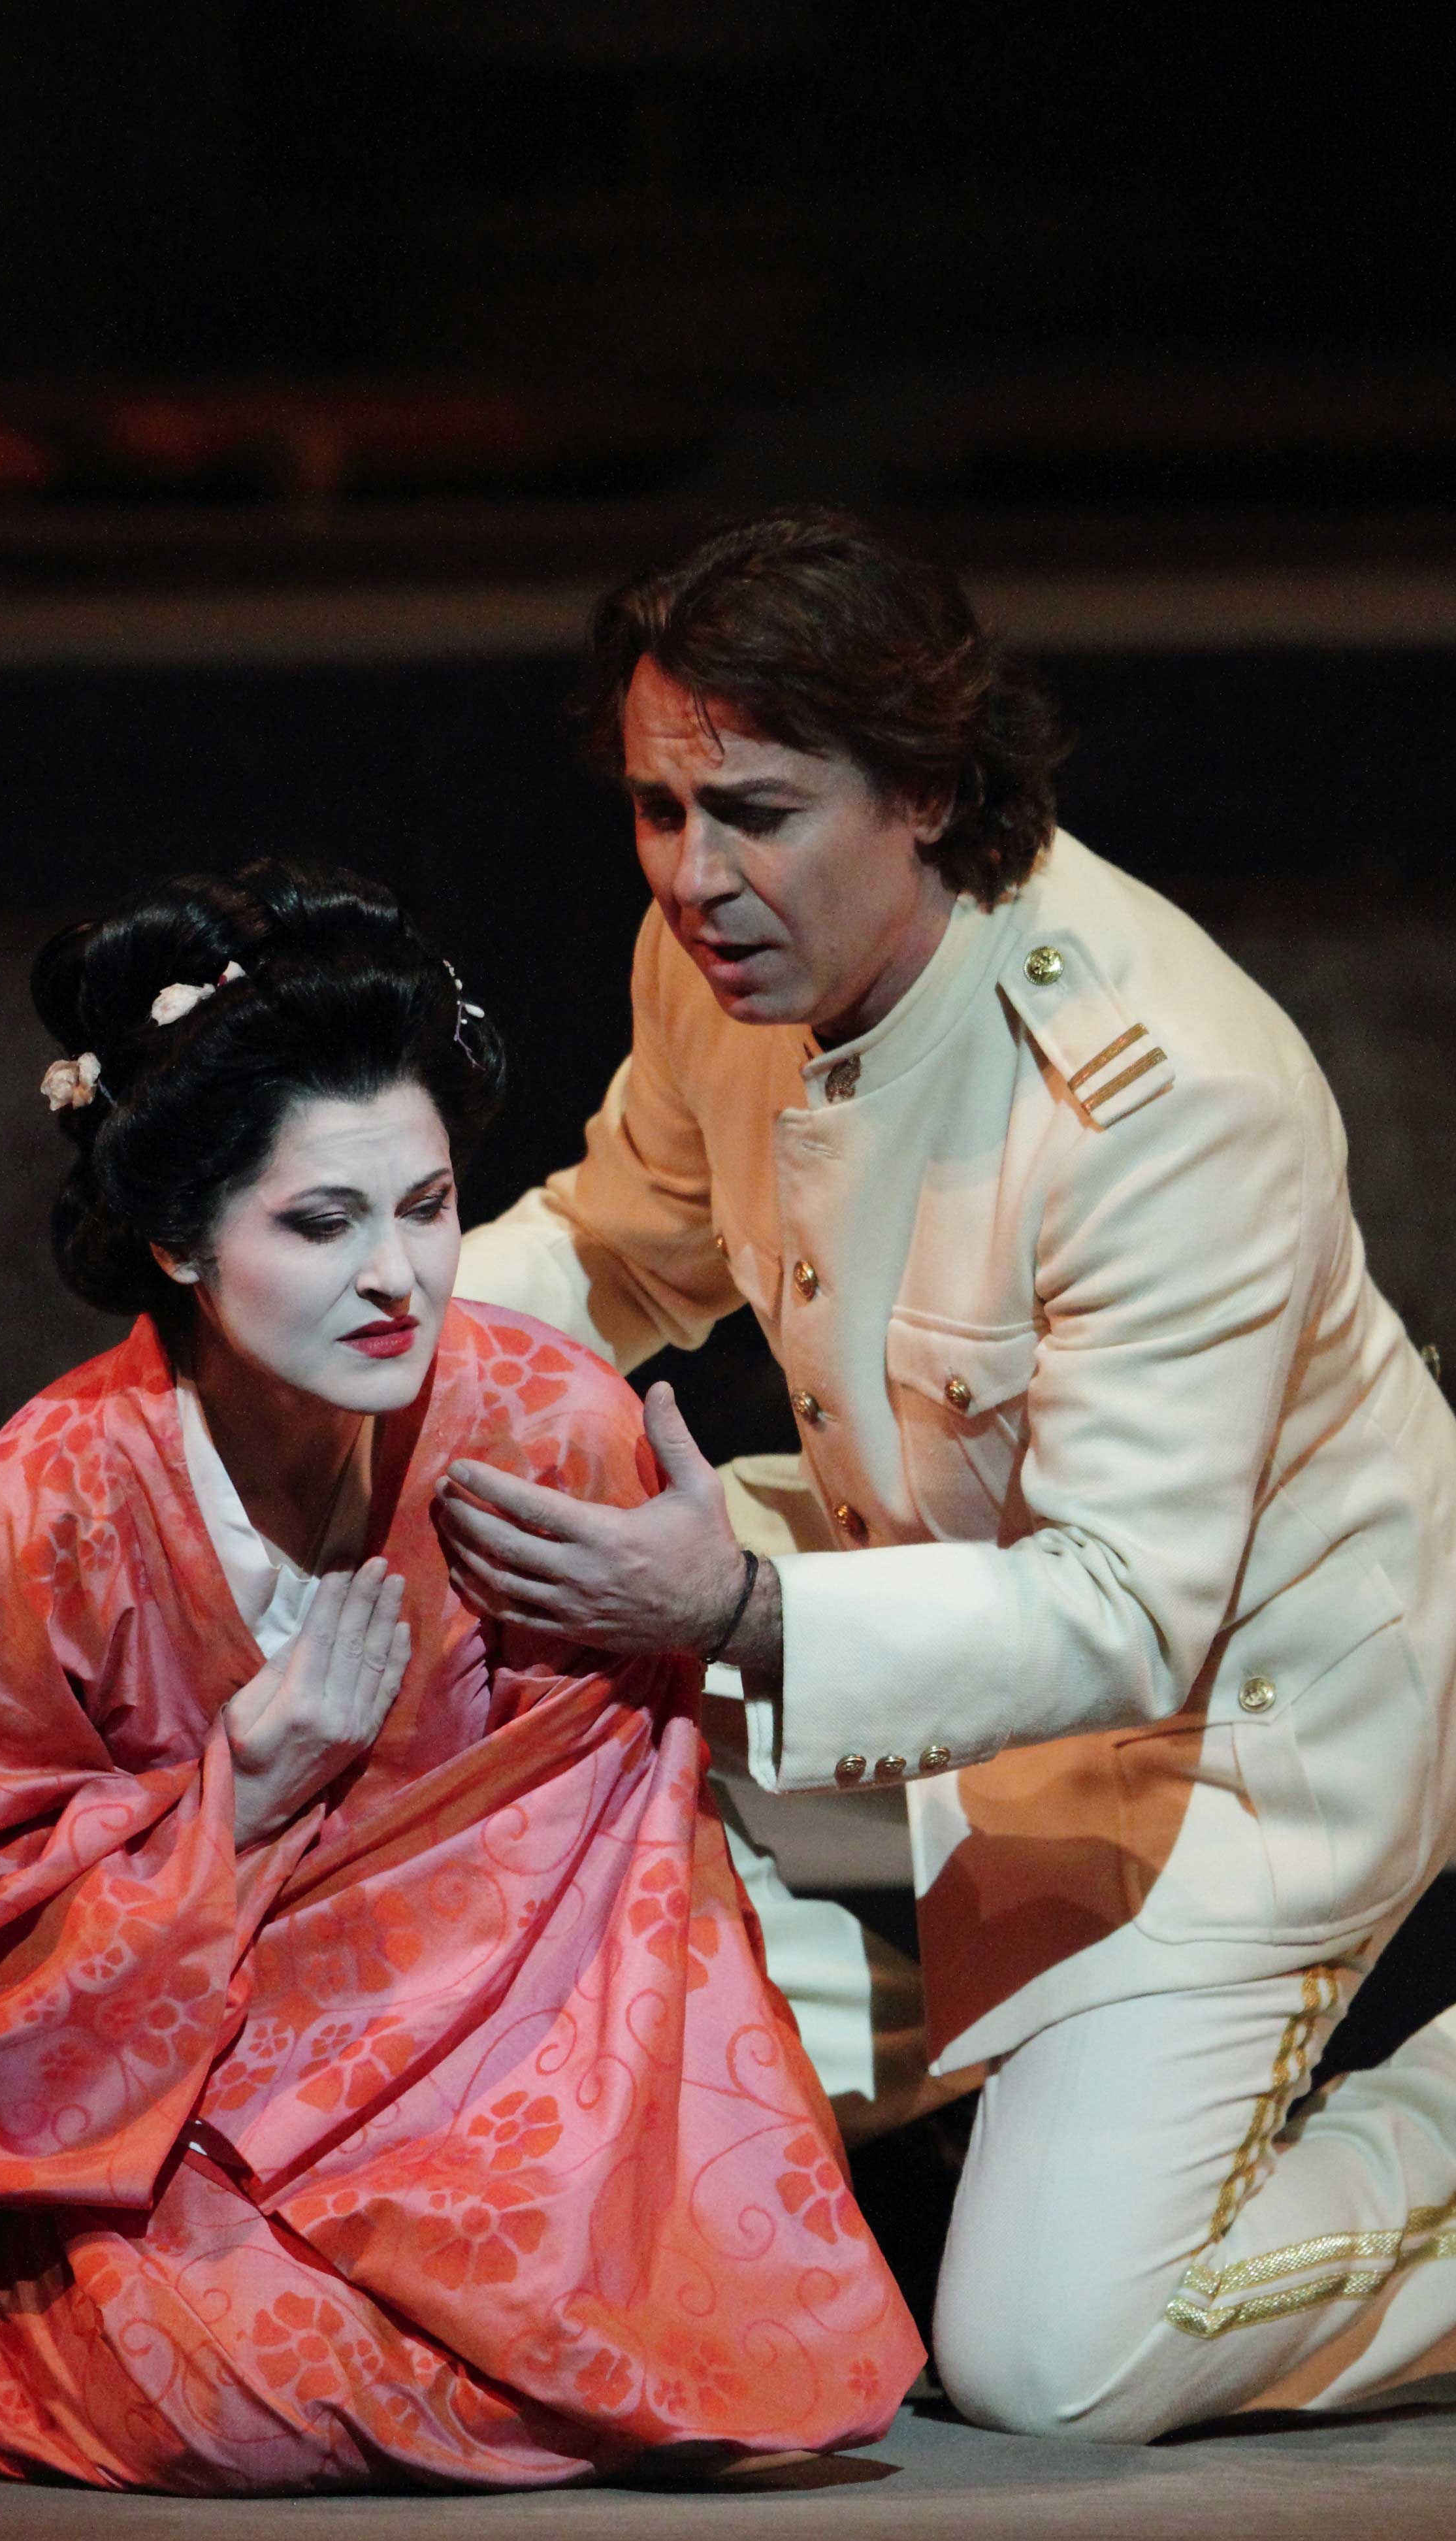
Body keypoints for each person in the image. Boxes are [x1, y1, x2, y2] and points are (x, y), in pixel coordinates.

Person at [443, 510, 1456, 2439]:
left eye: (754, 810)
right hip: (938, 1606)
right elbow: (618, 1247)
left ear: (924, 790)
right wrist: (331, 1341)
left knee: (1055, 2359)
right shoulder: (725, 961)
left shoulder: (1163, 1093)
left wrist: (738, 1609)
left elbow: (1122, 1610)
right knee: (474, 1523)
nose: (693, 875)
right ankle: (905, 2077)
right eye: (658, 809)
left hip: (1247, 1720)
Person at [0, 859, 920, 2491]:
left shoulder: (547, 1432)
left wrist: (700, 1604)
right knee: (234, 2386)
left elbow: (599, 1880)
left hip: (495, 2081)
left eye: (427, 1207)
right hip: (167, 2105)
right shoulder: (27, 1532)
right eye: (320, 1222)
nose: (397, 1277)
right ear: (176, 1241)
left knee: (661, 2324)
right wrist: (237, 1800)